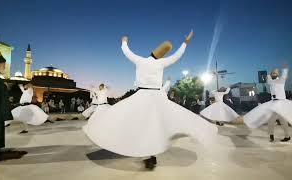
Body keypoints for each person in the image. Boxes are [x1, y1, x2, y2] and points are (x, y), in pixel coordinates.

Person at [84, 31, 218, 170]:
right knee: (154, 126)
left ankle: (147, 153)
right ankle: (151, 154)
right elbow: (177, 56)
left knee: (136, 123)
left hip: (142, 96)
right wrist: (185, 43)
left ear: (152, 52)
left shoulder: (141, 60)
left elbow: (127, 52)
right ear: (162, 55)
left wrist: (124, 42)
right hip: (157, 98)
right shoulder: (162, 63)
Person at [244, 65, 291, 142]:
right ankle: (271, 135)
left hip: (281, 103)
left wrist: (285, 69)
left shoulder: (281, 80)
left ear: (278, 74)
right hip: (274, 103)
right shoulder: (271, 82)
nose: (273, 74)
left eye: (275, 73)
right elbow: (268, 79)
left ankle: (287, 136)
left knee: (283, 121)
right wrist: (269, 74)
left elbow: (284, 76)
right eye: (272, 73)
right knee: (271, 120)